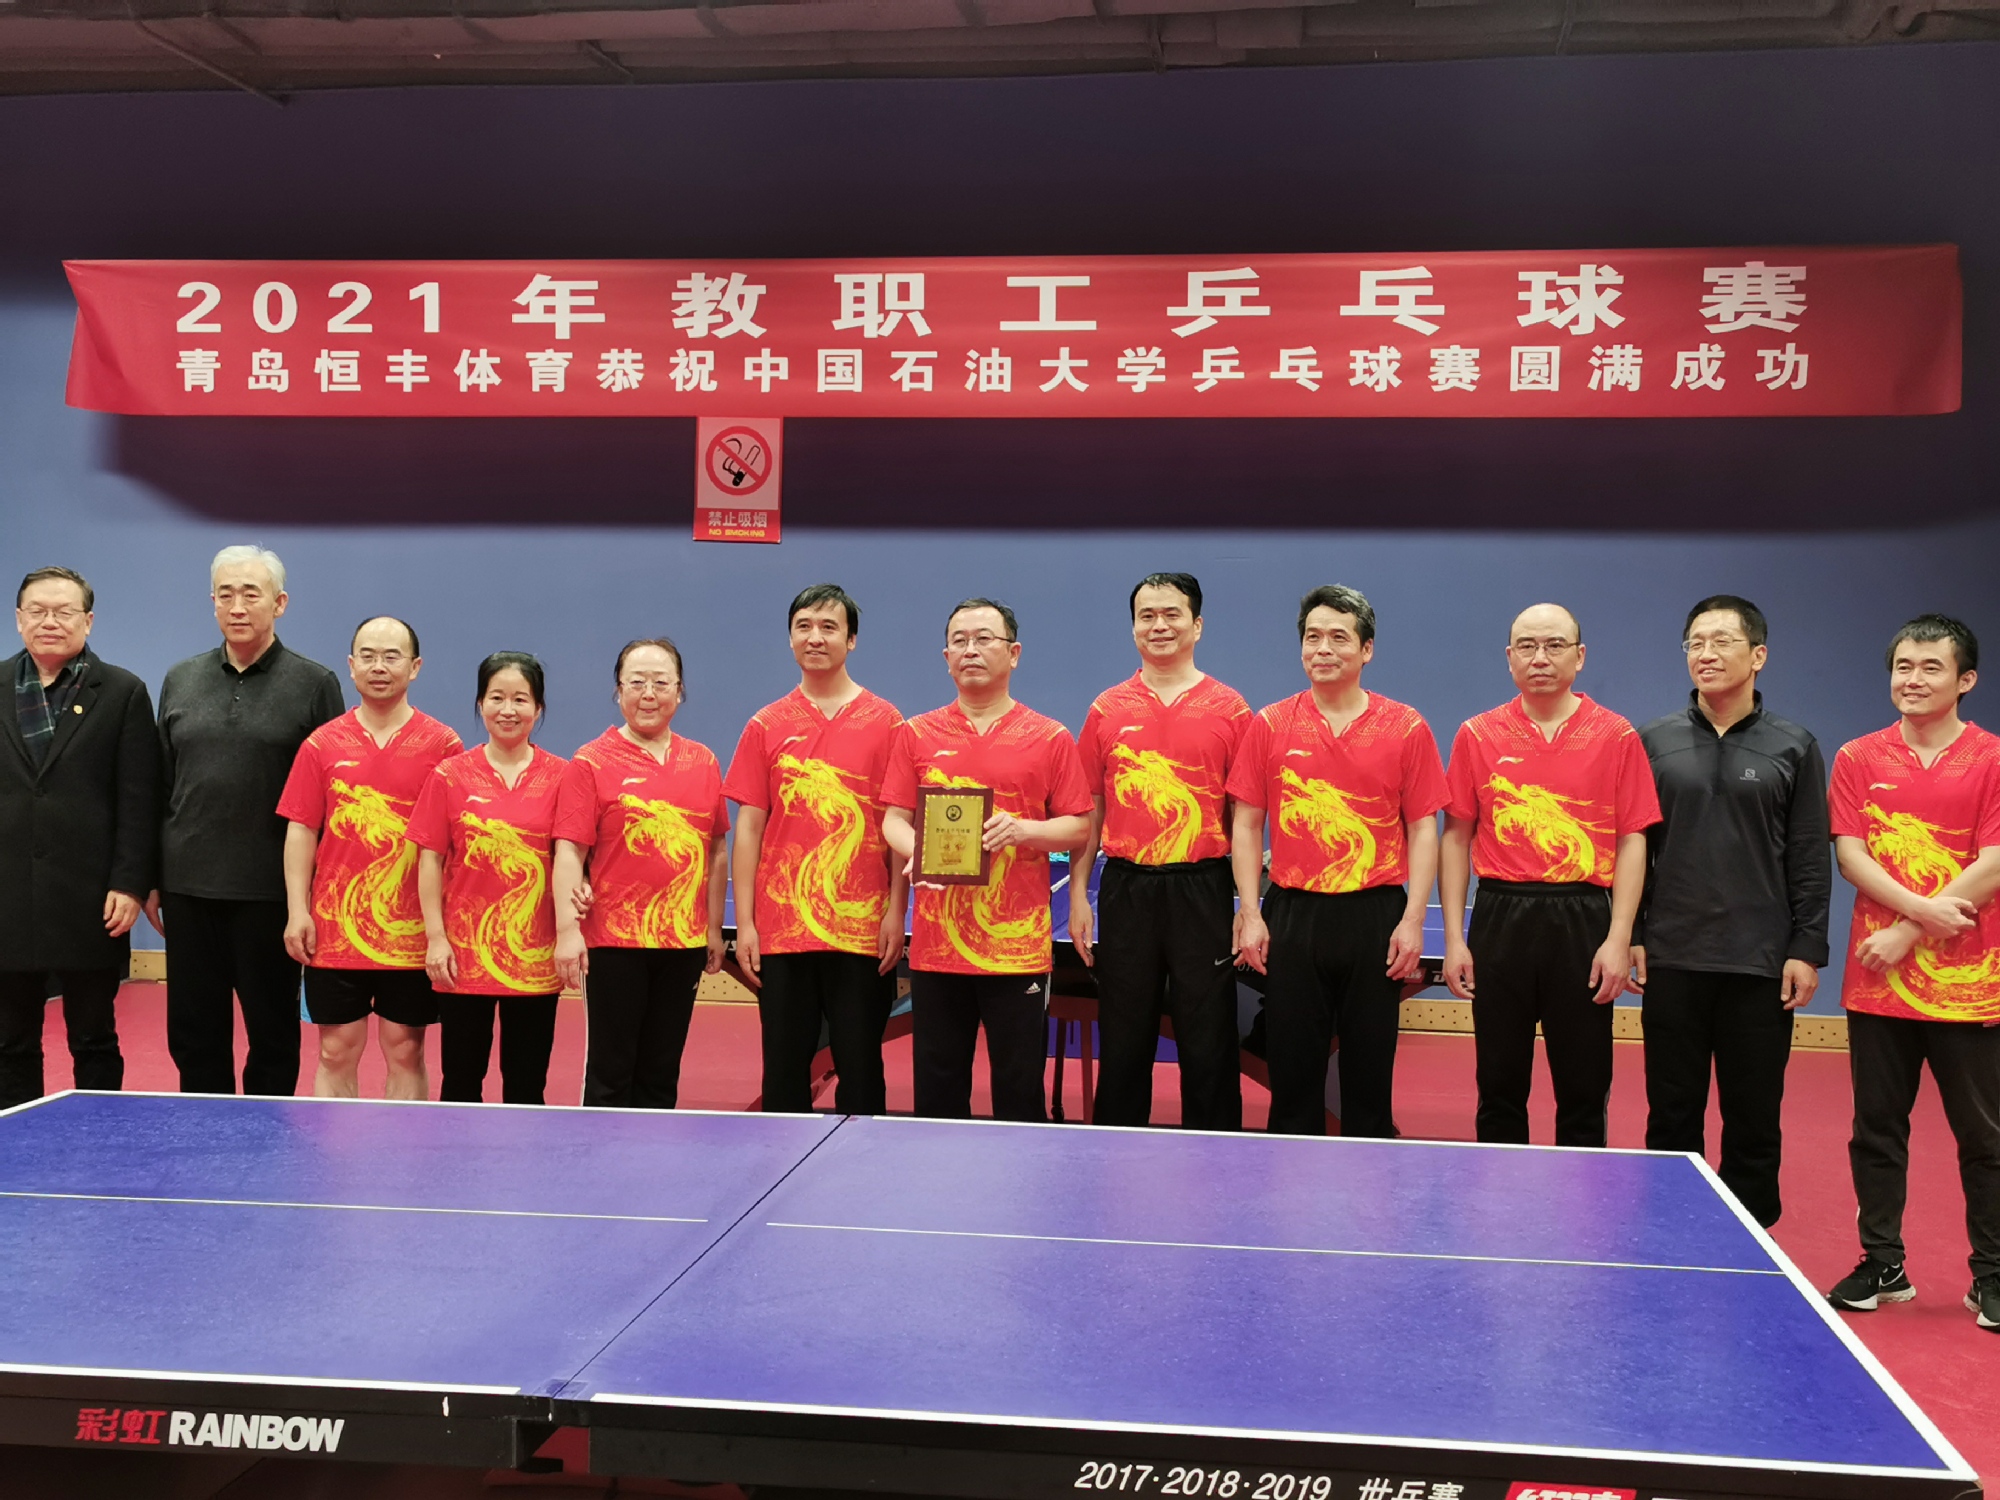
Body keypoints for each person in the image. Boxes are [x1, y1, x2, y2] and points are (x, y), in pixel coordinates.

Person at [1822, 614, 2000, 1331]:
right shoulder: (1858, 756)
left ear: (1965, 680)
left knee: (1985, 1137)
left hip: (1972, 983)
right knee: (1876, 1131)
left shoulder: (1993, 758)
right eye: (1903, 666)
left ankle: (1991, 1275)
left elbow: (1994, 861)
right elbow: (1851, 854)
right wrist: (1917, 917)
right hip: (1878, 982)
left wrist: (1906, 929)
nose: (1913, 679)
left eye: (1931, 667)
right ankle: (1883, 1264)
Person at [1635, 595, 1830, 1228]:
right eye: (1695, 642)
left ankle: (1752, 1238)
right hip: (1673, 955)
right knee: (1671, 1110)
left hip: (1760, 962)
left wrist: (1806, 947)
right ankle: (1670, 1223)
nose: (1706, 653)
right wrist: (1633, 932)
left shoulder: (1794, 746)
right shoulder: (1653, 741)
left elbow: (1809, 856)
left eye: (1722, 641)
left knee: (1753, 1115)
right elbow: (1633, 850)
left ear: (1758, 655)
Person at [1229, 585, 1447, 1137]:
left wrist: (1413, 918)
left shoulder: (1406, 726)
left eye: (1338, 638)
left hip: (1375, 915)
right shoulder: (1270, 723)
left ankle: (1369, 1174)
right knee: (1291, 1071)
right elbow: (1247, 824)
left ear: (1366, 649)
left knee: (1368, 1073)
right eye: (1312, 637)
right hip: (1293, 914)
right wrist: (1251, 912)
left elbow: (1424, 828)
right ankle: (1291, 1172)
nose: (1323, 649)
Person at [1440, 603, 1660, 1148]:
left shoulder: (1616, 735)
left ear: (1579, 657)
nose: (1540, 657)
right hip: (1500, 916)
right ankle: (1499, 1191)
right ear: (1509, 657)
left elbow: (1633, 838)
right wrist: (1454, 939)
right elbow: (1457, 837)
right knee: (1498, 1084)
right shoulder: (1477, 734)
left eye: (1555, 645)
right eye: (1527, 646)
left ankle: (1583, 1193)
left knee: (1584, 1086)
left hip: (1583, 918)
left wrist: (1619, 937)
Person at [881, 599, 1092, 1122]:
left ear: (1013, 653)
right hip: (936, 947)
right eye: (959, 641)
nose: (970, 650)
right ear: (946, 657)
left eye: (984, 639)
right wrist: (920, 851)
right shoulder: (915, 733)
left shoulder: (1050, 737)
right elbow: (893, 820)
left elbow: (1080, 827)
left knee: (1019, 1091)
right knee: (938, 1089)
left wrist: (1024, 830)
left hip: (1016, 949)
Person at [156, 545, 344, 1096]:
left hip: (271, 892)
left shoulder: (314, 683)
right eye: (226, 594)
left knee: (273, 1032)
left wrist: (309, 896)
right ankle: (204, 1129)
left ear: (279, 603)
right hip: (188, 888)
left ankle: (268, 1135)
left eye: (251, 594)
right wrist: (150, 877)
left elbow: (331, 799)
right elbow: (160, 786)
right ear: (213, 602)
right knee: (194, 1034)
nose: (237, 606)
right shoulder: (180, 678)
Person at [1071, 573, 1250, 1131]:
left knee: (1208, 1036)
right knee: (1123, 1035)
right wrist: (1078, 895)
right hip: (1127, 887)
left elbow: (1246, 818)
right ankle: (1116, 1147)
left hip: (1203, 888)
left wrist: (1248, 905)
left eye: (1172, 614)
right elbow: (1090, 810)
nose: (1159, 625)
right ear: (1133, 628)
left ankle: (1218, 1151)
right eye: (1146, 616)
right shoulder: (1106, 708)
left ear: (1197, 625)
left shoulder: (1231, 709)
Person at [723, 585, 906, 1115]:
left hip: (861, 928)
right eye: (804, 626)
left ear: (852, 640)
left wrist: (896, 912)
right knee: (784, 1068)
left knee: (861, 1066)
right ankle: (780, 1156)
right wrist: (747, 925)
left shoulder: (887, 722)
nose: (815, 637)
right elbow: (749, 829)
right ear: (790, 638)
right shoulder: (765, 724)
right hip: (783, 931)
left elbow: (897, 824)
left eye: (829, 627)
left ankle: (860, 1158)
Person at [278, 617, 461, 1099]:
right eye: (368, 656)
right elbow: (301, 830)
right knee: (335, 1051)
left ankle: (403, 1147)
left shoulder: (443, 745)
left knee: (406, 1049)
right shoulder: (321, 744)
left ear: (415, 667)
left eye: (392, 656)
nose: (379, 667)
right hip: (335, 929)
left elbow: (453, 843)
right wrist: (298, 911)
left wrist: (441, 929)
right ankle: (335, 1146)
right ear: (351, 665)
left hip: (412, 932)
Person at [0, 568, 159, 1109]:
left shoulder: (121, 692)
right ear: (18, 619)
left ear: (87, 621)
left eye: (64, 612)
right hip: (9, 896)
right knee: (9, 1040)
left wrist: (130, 883)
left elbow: (139, 799)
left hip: (92, 899)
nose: (50, 621)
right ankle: (17, 1138)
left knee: (94, 1038)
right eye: (38, 611)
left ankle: (100, 1135)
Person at [553, 638, 727, 1109]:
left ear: (679, 691)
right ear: (618, 691)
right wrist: (568, 931)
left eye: (661, 683)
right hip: (614, 943)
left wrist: (712, 928)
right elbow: (569, 851)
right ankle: (603, 1152)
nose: (649, 694)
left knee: (661, 1070)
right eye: (636, 683)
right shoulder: (591, 761)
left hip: (683, 942)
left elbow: (715, 849)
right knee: (611, 1072)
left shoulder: (703, 761)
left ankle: (652, 1152)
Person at [408, 652, 566, 1105]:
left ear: (538, 708)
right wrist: (436, 938)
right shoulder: (449, 774)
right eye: (496, 698)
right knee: (460, 1080)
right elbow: (430, 860)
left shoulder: (564, 776)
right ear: (480, 704)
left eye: (520, 699)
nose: (508, 710)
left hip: (535, 956)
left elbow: (572, 858)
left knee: (527, 1084)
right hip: (464, 955)